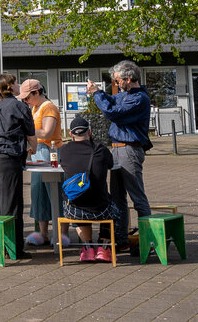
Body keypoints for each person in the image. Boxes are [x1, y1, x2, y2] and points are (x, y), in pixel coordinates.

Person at [88, 60, 152, 240]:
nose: (116, 85)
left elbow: (113, 113)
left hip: (129, 149)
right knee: (117, 197)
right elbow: (111, 101)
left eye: (117, 81)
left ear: (129, 79)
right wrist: (98, 92)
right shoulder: (125, 95)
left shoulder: (138, 98)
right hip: (117, 149)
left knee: (136, 195)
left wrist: (97, 94)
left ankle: (149, 239)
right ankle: (121, 237)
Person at [0, 73, 36, 258]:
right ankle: (13, 249)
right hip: (7, 156)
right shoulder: (20, 106)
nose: (19, 85)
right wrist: (33, 148)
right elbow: (31, 134)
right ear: (10, 87)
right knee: (11, 204)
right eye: (16, 82)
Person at [59, 115, 120, 262]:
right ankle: (104, 247)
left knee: (75, 199)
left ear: (71, 134)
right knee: (114, 205)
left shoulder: (64, 151)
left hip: (74, 211)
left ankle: (87, 248)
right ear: (89, 132)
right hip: (102, 210)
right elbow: (111, 165)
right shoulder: (101, 149)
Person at [19, 78, 63, 246]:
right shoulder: (36, 107)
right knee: (38, 194)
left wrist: (25, 130)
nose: (25, 101)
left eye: (27, 97)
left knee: (54, 193)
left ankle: (60, 234)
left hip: (50, 152)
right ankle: (43, 233)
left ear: (37, 92)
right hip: (38, 152)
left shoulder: (49, 107)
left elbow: (46, 132)